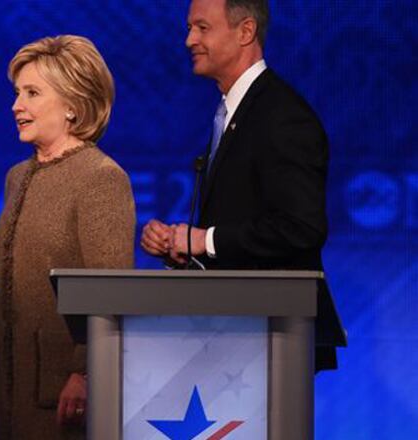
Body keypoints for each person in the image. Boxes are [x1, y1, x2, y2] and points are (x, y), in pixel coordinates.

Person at [0, 35, 135, 439]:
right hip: (11, 390)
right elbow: (16, 282)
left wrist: (85, 372)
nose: (16, 105)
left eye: (32, 93)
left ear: (73, 105)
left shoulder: (101, 179)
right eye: (17, 92)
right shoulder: (18, 176)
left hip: (64, 393)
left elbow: (111, 292)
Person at [140, 0, 345, 371]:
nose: (189, 40)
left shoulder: (282, 117)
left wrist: (206, 240)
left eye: (202, 28)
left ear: (245, 31)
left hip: (274, 335)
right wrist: (183, 247)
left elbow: (302, 228)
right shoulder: (237, 110)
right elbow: (242, 217)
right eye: (189, 28)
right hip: (235, 333)